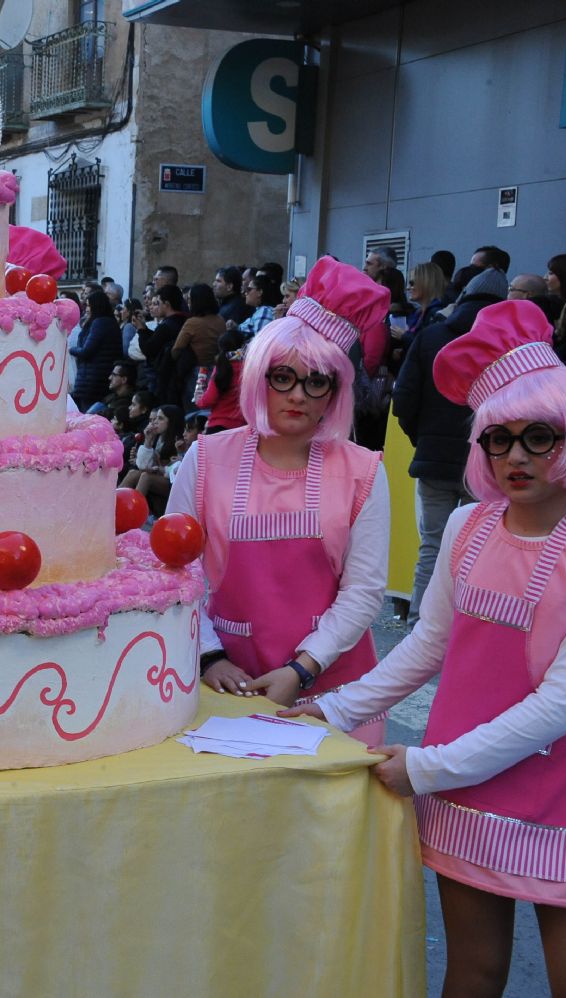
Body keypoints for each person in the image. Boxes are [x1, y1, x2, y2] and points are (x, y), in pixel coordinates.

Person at [288, 299, 566, 998]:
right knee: (473, 974)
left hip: (561, 800)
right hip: (462, 788)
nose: (516, 456)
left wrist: (425, 766)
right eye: (499, 438)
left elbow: (564, 704)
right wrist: (329, 712)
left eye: (539, 436)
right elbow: (430, 644)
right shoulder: (467, 527)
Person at [166, 256, 391, 744]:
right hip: (227, 684)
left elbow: (364, 591)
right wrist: (207, 655)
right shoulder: (206, 458)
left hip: (333, 691)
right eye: (282, 377)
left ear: (335, 392)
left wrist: (303, 668)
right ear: (258, 378)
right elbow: (176, 572)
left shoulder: (364, 470)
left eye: (316, 381)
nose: (298, 396)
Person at [392, 270, 507, 627]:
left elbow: (404, 399)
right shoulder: (507, 344)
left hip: (434, 461)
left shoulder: (431, 336)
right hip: (486, 463)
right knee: (477, 547)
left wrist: (422, 437)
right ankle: (465, 625)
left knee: (432, 545)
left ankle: (420, 623)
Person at [69, 289, 123, 413]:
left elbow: (87, 350)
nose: (87, 309)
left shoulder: (100, 323)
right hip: (96, 378)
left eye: (88, 305)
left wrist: (70, 349)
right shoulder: (108, 322)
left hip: (92, 381)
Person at [172, 284, 224, 405]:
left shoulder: (192, 323)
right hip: (217, 371)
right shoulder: (220, 320)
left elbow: (176, 349)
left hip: (196, 373)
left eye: (190, 299)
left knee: (193, 410)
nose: (187, 302)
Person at [139, 285, 187, 405]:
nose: (155, 307)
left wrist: (141, 330)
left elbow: (149, 349)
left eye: (158, 303)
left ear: (166, 304)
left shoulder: (166, 325)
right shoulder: (184, 320)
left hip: (167, 378)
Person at [197, 327, 247, 433]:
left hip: (219, 426)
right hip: (243, 428)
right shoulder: (252, 367)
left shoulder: (223, 366)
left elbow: (209, 399)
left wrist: (199, 400)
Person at [237, 272, 281, 338]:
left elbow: (259, 343)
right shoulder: (259, 311)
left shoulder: (264, 312)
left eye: (249, 289)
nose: (245, 293)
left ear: (260, 292)